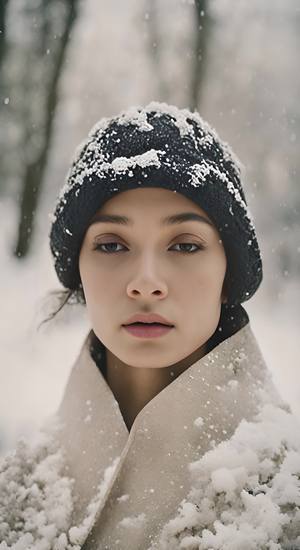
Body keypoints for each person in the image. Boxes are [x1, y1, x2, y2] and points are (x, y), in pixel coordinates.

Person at [1, 102, 299, 550]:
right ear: (78, 270)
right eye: (111, 244)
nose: (145, 283)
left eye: (183, 245)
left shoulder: (286, 494)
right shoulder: (14, 488)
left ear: (227, 274)